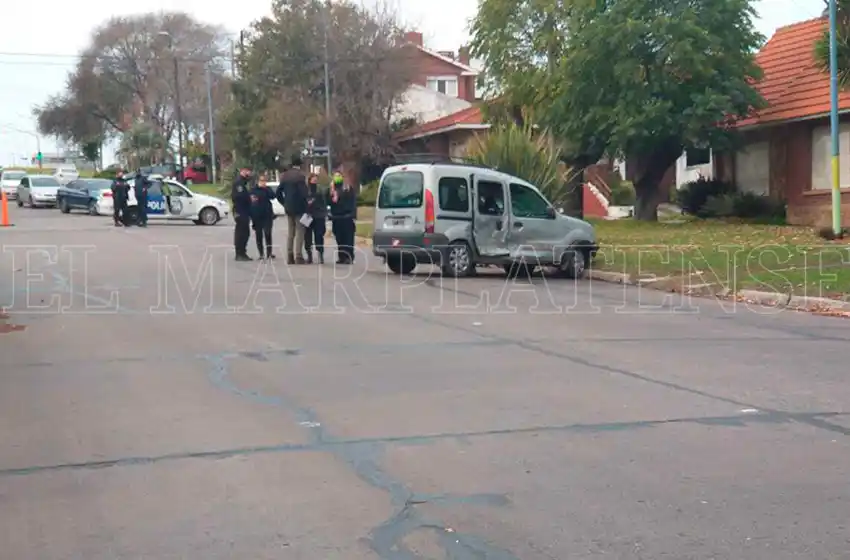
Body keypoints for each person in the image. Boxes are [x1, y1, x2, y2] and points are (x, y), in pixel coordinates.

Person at [276, 156, 309, 264]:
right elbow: (304, 193)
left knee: (291, 232)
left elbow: (278, 192)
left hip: (289, 207)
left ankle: (290, 255)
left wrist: (284, 202)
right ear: (300, 165)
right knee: (300, 231)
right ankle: (298, 255)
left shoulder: (285, 176)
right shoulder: (300, 176)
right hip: (299, 207)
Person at [329, 172, 357, 264]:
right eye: (335, 176)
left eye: (339, 176)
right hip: (336, 217)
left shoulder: (347, 188)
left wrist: (352, 214)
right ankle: (342, 256)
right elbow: (328, 201)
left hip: (346, 217)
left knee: (348, 238)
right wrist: (331, 189)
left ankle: (349, 256)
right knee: (339, 238)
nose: (337, 178)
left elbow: (353, 201)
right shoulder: (332, 190)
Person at [250, 173, 276, 261]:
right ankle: (261, 253)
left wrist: (266, 189)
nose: (263, 182)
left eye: (264, 181)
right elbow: (252, 201)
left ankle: (269, 252)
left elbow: (273, 196)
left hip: (267, 215)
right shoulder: (253, 190)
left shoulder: (267, 189)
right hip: (257, 216)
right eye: (261, 181)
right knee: (259, 235)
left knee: (268, 234)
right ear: (258, 181)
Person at [303, 173, 328, 264]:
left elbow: (324, 202)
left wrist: (324, 213)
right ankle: (309, 255)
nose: (314, 180)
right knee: (307, 236)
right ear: (309, 180)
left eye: (316, 179)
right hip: (307, 215)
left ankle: (320, 253)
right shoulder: (305, 190)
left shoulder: (320, 190)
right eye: (313, 179)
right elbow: (302, 202)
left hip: (319, 215)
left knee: (319, 235)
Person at [231, 167, 254, 261]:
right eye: (248, 171)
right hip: (240, 211)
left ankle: (242, 252)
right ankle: (239, 253)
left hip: (244, 210)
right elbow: (239, 197)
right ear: (243, 171)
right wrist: (249, 198)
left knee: (245, 233)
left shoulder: (243, 182)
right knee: (241, 233)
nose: (249, 173)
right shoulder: (238, 183)